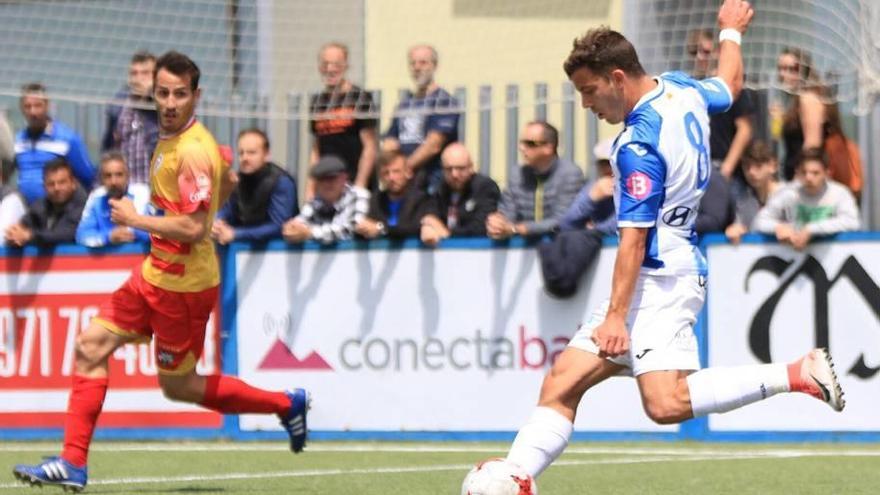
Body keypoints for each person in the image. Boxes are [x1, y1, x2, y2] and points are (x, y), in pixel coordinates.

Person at [504, 1, 844, 480]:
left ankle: (794, 373)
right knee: (560, 383)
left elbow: (634, 240)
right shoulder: (681, 88)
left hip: (660, 278)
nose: (586, 104)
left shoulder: (638, 145)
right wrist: (730, 32)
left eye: (588, 91)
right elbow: (729, 86)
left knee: (665, 405)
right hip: (667, 266)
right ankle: (514, 478)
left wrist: (618, 315)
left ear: (617, 77)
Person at [12, 51, 310, 492]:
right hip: (155, 274)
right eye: (163, 93)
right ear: (154, 93)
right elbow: (225, 177)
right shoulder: (174, 138)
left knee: (181, 387)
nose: (170, 103)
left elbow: (191, 227)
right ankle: (73, 462)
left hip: (184, 289)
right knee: (90, 346)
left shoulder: (189, 151)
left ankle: (285, 403)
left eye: (180, 94)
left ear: (196, 95)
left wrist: (135, 220)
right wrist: (216, 187)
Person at [383, 44, 460, 194]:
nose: (417, 67)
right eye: (413, 63)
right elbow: (390, 141)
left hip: (431, 182)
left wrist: (405, 168)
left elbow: (433, 145)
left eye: (423, 62)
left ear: (434, 65)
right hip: (404, 181)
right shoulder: (405, 103)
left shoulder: (443, 101)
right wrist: (391, 168)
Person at [486, 121, 584, 239]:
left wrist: (515, 229)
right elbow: (507, 213)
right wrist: (498, 223)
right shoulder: (517, 174)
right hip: (523, 250)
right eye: (521, 143)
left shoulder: (570, 173)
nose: (522, 148)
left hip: (561, 247)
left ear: (548, 147)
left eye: (529, 143)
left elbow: (561, 219)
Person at [752, 147, 860, 250]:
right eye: (804, 172)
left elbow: (852, 222)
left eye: (815, 173)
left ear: (827, 173)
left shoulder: (839, 193)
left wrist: (812, 229)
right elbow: (759, 221)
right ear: (797, 172)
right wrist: (778, 227)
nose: (808, 178)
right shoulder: (788, 192)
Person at [309, 42, 378, 194]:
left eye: (336, 64)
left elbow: (370, 146)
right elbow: (316, 148)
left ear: (346, 66)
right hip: (326, 184)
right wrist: (311, 189)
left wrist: (360, 186)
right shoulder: (317, 101)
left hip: (353, 183)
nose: (330, 69)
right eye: (325, 64)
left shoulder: (360, 98)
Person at [689, 28, 755, 186]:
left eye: (705, 51)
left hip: (725, 171)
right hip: (697, 169)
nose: (699, 57)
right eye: (694, 52)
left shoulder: (731, 86)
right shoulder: (692, 87)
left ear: (717, 53)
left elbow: (745, 130)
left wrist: (727, 168)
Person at [212, 128, 298, 245]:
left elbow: (279, 226)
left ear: (266, 154)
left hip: (278, 256)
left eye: (251, 152)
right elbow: (226, 211)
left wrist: (236, 234)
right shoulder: (237, 180)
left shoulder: (281, 181)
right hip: (241, 254)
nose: (245, 158)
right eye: (241, 153)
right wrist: (217, 224)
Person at [14, 83, 95, 204]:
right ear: (21, 109)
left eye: (38, 106)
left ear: (47, 105)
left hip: (57, 211)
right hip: (27, 210)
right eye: (28, 106)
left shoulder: (67, 139)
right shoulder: (18, 140)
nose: (33, 112)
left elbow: (88, 177)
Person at [282, 155, 369, 244]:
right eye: (322, 179)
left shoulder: (358, 195)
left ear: (344, 178)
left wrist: (310, 233)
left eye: (332, 178)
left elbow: (350, 229)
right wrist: (292, 229)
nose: (327, 184)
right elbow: (300, 222)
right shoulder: (315, 202)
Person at [102, 51, 160, 184]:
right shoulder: (118, 105)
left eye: (145, 73)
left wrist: (150, 96)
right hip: (124, 186)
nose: (138, 79)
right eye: (134, 73)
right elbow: (108, 147)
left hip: (153, 187)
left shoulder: (164, 107)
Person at [355, 149, 436, 240]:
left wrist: (380, 228)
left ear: (408, 173)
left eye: (396, 171)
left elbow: (413, 228)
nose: (391, 178)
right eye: (386, 173)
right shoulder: (375, 200)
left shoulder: (423, 199)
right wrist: (362, 229)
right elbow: (367, 227)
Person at [5, 158, 86, 247]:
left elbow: (65, 234)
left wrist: (30, 236)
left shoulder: (83, 206)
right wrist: (14, 234)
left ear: (73, 183)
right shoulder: (40, 205)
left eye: (62, 182)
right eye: (51, 184)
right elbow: (25, 224)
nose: (57, 188)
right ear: (44, 186)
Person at [427, 142, 500, 240]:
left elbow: (481, 227)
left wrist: (446, 232)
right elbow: (430, 216)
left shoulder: (485, 187)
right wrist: (427, 226)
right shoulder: (440, 189)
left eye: (460, 168)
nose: (454, 174)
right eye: (449, 169)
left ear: (471, 168)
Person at [76, 152, 151, 247]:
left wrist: (129, 232)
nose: (114, 181)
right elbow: (81, 236)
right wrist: (109, 237)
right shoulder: (96, 197)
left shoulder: (142, 193)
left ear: (127, 176)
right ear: (101, 179)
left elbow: (153, 232)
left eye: (119, 175)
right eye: (108, 176)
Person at [724, 141, 782, 244]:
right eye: (747, 167)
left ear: (773, 166)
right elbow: (740, 227)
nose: (751, 172)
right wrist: (735, 230)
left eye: (758, 166)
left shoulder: (789, 195)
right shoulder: (744, 202)